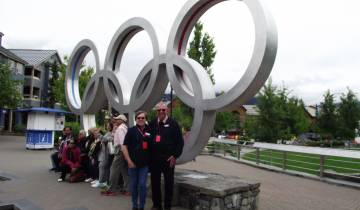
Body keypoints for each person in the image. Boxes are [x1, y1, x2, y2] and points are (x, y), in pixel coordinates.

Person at [148, 102, 184, 210]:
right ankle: (157, 205)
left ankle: (167, 206)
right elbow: (148, 138)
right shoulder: (152, 123)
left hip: (168, 159)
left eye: (163, 110)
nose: (161, 112)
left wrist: (175, 156)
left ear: (167, 110)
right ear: (156, 112)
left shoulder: (173, 124)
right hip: (155, 160)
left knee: (169, 184)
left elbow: (180, 142)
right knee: (155, 183)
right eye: (159, 110)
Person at [123, 111, 151, 210]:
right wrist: (129, 161)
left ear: (145, 119)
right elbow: (124, 146)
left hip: (144, 165)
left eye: (143, 118)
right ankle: (135, 205)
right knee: (134, 186)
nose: (140, 119)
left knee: (142, 185)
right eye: (138, 118)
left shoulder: (150, 130)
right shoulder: (131, 130)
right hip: (133, 164)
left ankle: (142, 206)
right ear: (135, 119)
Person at [102, 114, 128, 196]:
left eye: (117, 119)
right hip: (123, 150)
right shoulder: (124, 128)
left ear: (122, 120)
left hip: (120, 150)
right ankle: (127, 189)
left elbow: (122, 142)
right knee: (124, 171)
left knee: (113, 170)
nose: (116, 120)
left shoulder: (120, 129)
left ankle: (111, 190)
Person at [92, 122, 114, 188]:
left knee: (102, 166)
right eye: (106, 125)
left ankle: (101, 181)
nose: (107, 127)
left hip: (107, 153)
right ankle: (104, 181)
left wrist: (99, 134)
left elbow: (105, 139)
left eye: (108, 125)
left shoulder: (111, 133)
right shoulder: (107, 133)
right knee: (105, 167)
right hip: (104, 152)